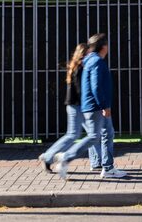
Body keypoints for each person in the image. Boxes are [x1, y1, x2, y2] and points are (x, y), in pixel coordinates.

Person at [53, 33, 127, 180]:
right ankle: (67, 157)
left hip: (89, 105)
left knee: (103, 134)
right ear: (104, 47)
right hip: (96, 106)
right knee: (97, 136)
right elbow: (97, 86)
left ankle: (106, 166)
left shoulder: (87, 60)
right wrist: (104, 106)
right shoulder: (97, 62)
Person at [36, 42, 100, 173]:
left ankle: (97, 161)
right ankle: (48, 157)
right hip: (78, 106)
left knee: (90, 135)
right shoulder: (81, 68)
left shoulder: (74, 66)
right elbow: (81, 90)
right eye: (89, 52)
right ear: (85, 53)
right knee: (77, 134)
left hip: (75, 105)